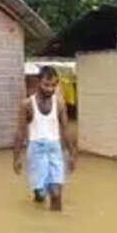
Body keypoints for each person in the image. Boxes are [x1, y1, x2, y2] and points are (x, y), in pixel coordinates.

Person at [13, 66, 76, 211]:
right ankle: (38, 198)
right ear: (38, 82)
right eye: (46, 85)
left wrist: (72, 154)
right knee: (40, 194)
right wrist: (16, 158)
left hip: (55, 151)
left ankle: (56, 223)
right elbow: (20, 132)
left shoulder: (59, 103)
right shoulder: (27, 104)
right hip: (36, 151)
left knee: (56, 193)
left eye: (53, 85)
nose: (50, 89)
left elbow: (66, 130)